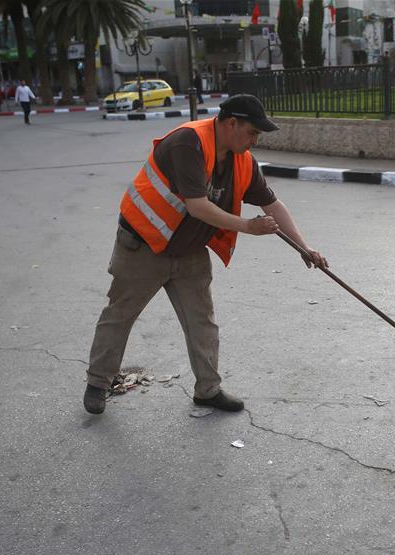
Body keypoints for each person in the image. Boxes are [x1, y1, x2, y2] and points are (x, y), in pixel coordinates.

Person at [83, 94, 328, 415]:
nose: (255, 141)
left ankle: (208, 389)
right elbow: (197, 205)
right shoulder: (189, 143)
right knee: (120, 315)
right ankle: (98, 383)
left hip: (189, 252)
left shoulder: (243, 162)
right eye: (253, 133)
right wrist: (247, 226)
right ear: (231, 124)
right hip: (144, 246)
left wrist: (303, 247)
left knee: (203, 322)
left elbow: (272, 204)